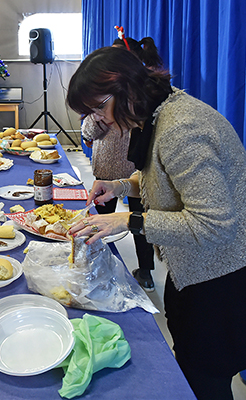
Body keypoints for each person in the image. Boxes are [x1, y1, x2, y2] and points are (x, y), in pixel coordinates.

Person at [67, 46, 246, 400]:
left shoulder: (181, 129)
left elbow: (214, 224)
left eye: (98, 108)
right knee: (187, 354)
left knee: (206, 373)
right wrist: (119, 186)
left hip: (236, 264)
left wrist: (131, 219)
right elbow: (165, 181)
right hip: (203, 262)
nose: (98, 120)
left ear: (125, 90)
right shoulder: (152, 113)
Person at [82, 35, 162, 291]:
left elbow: (209, 222)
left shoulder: (160, 120)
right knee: (103, 222)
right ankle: (103, 265)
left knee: (137, 224)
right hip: (115, 174)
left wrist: (131, 220)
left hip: (134, 170)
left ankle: (144, 270)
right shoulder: (123, 107)